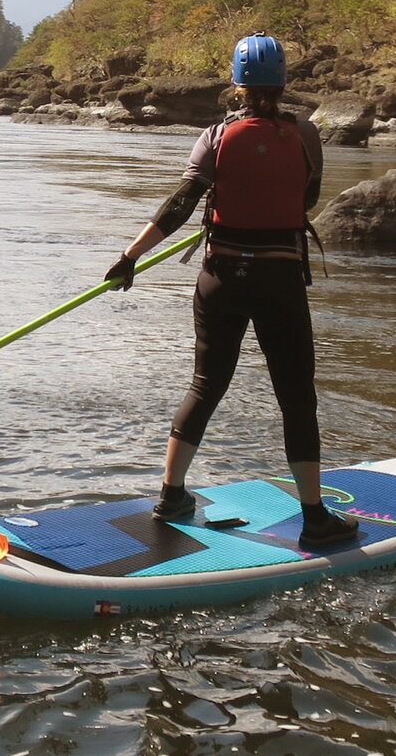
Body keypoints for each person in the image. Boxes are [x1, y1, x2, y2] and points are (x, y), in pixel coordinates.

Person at [104, 33, 359, 546]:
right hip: (281, 279)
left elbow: (180, 204)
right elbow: (305, 199)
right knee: (295, 398)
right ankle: (314, 518)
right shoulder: (307, 134)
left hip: (221, 276)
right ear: (282, 82)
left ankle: (171, 494)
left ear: (236, 83)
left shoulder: (215, 136)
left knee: (205, 385)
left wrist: (129, 257)